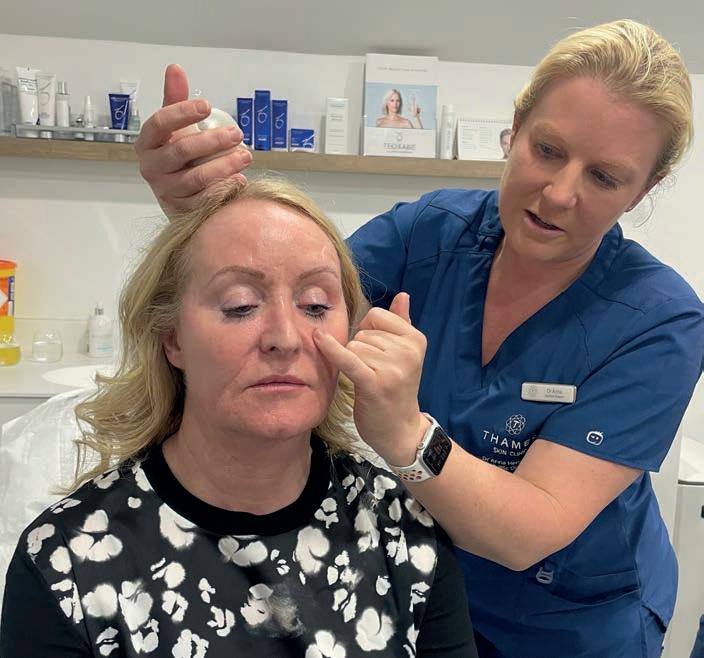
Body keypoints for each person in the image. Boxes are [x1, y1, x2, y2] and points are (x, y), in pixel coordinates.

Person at [131, 19, 704, 657]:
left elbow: (529, 530)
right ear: (515, 127)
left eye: (604, 178)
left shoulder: (659, 320)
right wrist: (202, 214)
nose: (560, 193)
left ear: (644, 189)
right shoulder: (429, 234)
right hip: (419, 580)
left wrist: (406, 435)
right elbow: (296, 301)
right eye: (547, 149)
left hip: (572, 622)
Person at [0, 178, 478, 657]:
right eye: (241, 306)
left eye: (315, 306)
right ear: (172, 338)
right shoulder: (68, 563)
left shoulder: (405, 535)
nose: (285, 338)